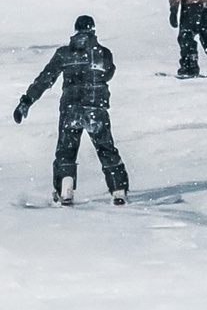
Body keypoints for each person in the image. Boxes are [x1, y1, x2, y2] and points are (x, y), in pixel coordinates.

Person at [13, 14, 128, 206]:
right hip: (95, 109)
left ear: (75, 30)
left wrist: (26, 101)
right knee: (106, 149)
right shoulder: (103, 53)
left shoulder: (64, 54)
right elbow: (108, 73)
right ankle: (118, 190)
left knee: (66, 151)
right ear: (93, 30)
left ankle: (66, 189)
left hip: (71, 108)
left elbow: (45, 78)